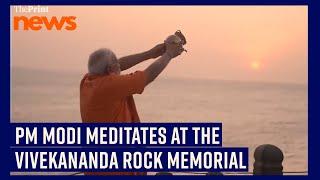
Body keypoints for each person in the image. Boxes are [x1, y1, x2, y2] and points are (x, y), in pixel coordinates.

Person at [79, 37, 184, 175]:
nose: (120, 67)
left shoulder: (89, 80)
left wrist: (150, 53)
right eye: (116, 65)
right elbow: (148, 76)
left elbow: (119, 65)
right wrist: (168, 54)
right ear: (110, 70)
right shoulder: (109, 86)